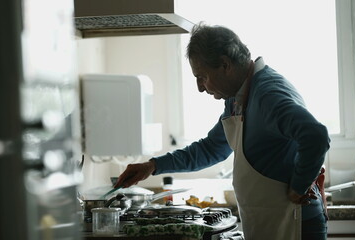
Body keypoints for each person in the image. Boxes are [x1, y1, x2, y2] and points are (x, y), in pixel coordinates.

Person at [115, 22, 330, 240]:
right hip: (271, 221)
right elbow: (211, 149)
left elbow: (316, 136)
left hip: (296, 223)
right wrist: (152, 166)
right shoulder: (237, 100)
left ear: (225, 65)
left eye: (202, 77)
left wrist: (299, 186)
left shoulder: (268, 95)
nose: (200, 87)